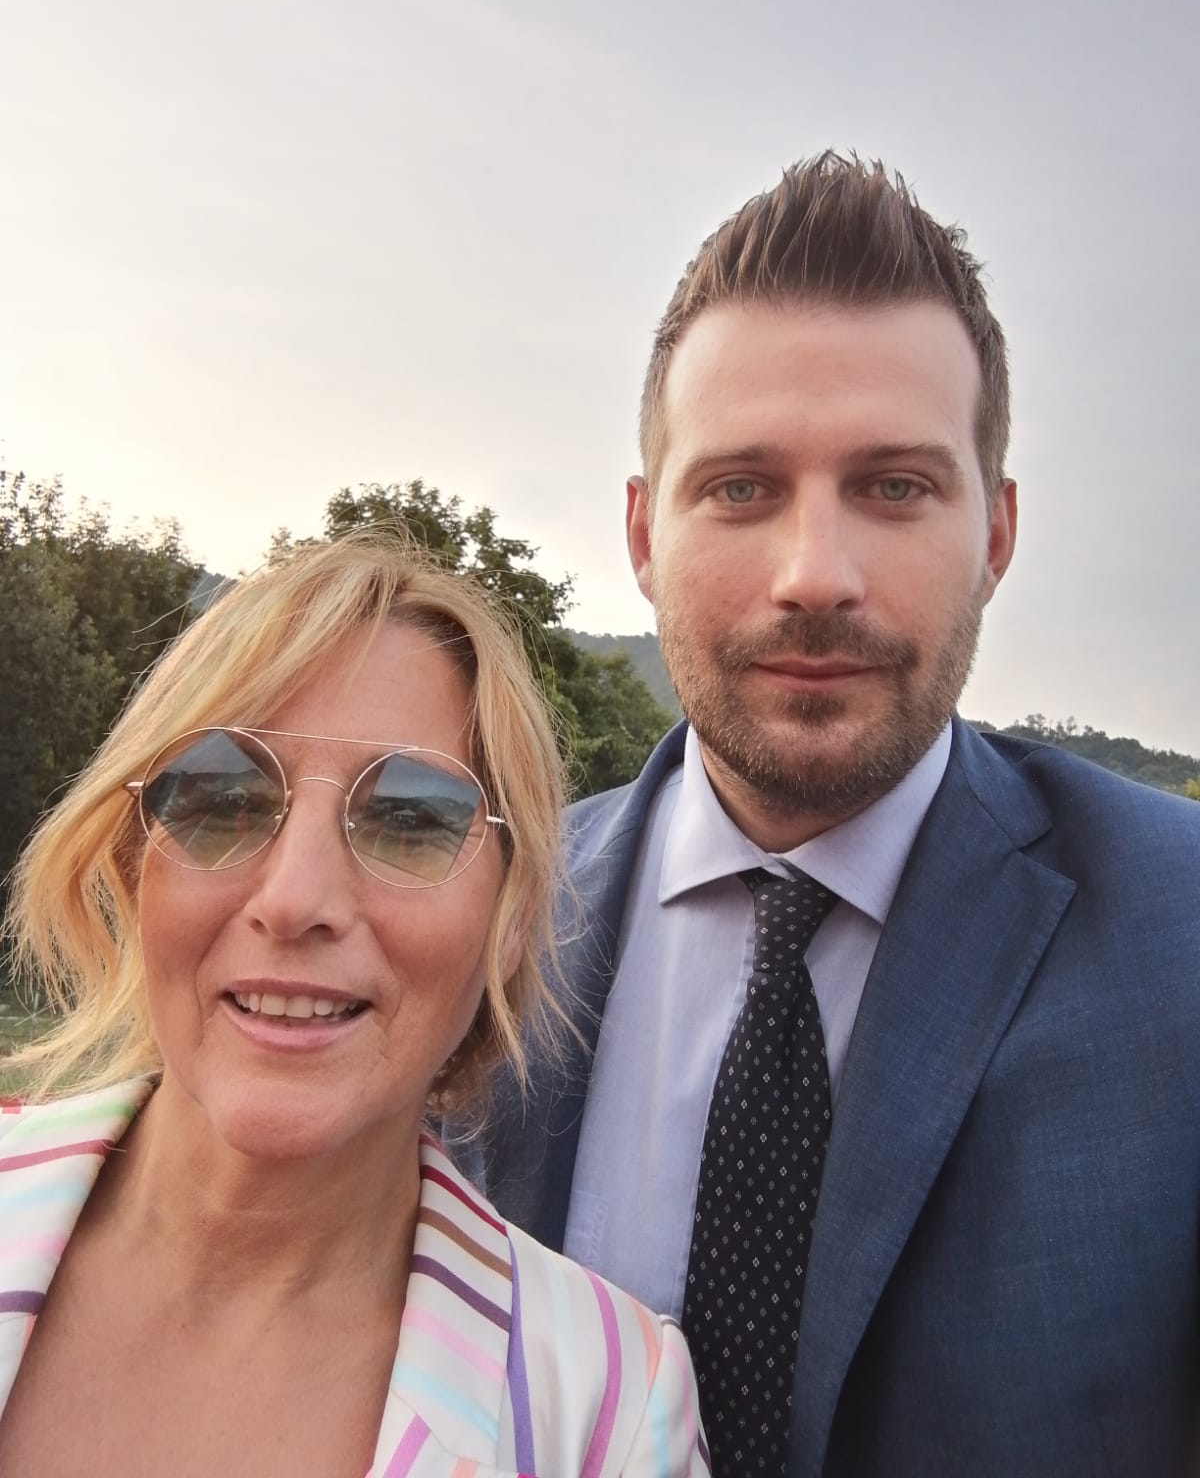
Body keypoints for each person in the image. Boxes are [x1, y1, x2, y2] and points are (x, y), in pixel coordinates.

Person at [451, 154, 1200, 1477]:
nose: (814, 575)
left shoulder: (1180, 935)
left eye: (895, 486)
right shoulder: (475, 913)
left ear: (997, 534)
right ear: (643, 533)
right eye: (741, 487)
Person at [0, 533, 708, 1478]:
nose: (295, 899)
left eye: (410, 819)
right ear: (135, 870)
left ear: (508, 920)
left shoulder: (610, 1416)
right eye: (221, 797)